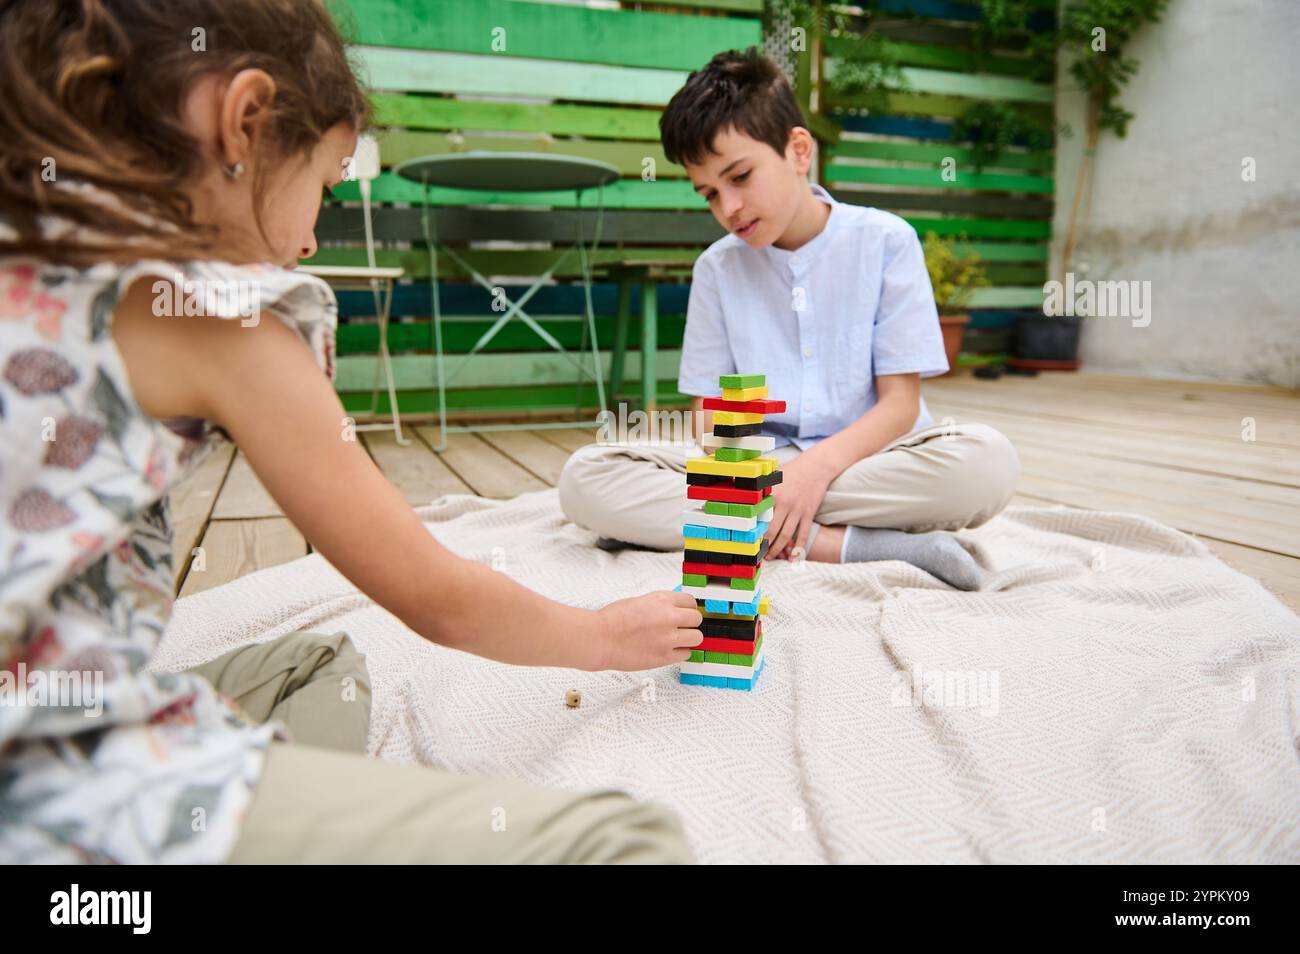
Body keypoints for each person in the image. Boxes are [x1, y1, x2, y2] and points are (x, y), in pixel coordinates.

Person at [0, 0, 697, 864]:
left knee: (318, 662)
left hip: (52, 687)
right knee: (628, 840)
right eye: (325, 186)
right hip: (50, 786)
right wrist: (601, 637)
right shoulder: (216, 315)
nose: (313, 234)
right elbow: (435, 595)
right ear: (244, 121)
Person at [559, 48, 1019, 591]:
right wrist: (774, 480)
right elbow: (713, 419)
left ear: (798, 150)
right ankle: (848, 544)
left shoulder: (886, 241)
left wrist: (811, 474)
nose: (728, 208)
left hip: (871, 460)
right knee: (587, 478)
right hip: (758, 467)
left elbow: (901, 405)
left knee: (987, 463)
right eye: (709, 193)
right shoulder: (716, 269)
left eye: (740, 177)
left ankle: (719, 528)